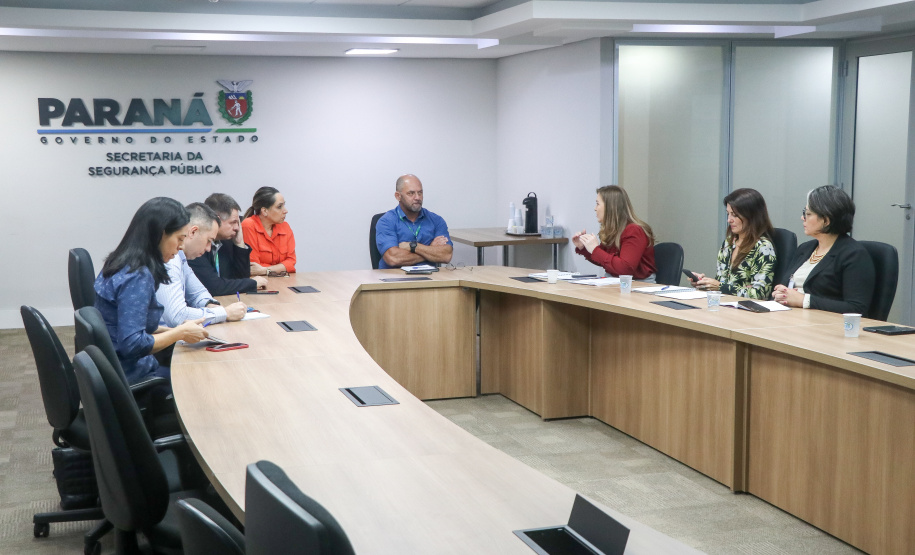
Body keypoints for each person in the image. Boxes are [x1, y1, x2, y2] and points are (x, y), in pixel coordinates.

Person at [94, 197, 209, 385]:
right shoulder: (137, 276)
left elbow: (129, 324)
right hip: (134, 376)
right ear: (161, 234)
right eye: (179, 239)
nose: (180, 246)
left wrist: (178, 330)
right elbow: (132, 344)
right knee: (201, 379)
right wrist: (179, 333)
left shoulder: (121, 262)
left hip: (115, 371)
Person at [773, 185, 875, 314]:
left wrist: (805, 300)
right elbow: (786, 285)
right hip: (790, 317)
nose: (802, 218)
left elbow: (857, 308)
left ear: (826, 220)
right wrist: (781, 293)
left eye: (808, 214)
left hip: (823, 326)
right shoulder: (805, 248)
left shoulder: (854, 255)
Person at [157, 203, 248, 328]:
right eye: (209, 241)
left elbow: (198, 293)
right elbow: (177, 316)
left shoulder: (181, 258)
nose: (209, 249)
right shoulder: (170, 261)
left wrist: (211, 305)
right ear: (193, 232)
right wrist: (224, 313)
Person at [690, 188, 777, 299]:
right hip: (724, 305)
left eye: (735, 215)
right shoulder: (729, 243)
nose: (729, 220)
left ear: (751, 216)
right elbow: (722, 283)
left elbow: (760, 294)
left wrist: (720, 287)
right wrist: (704, 283)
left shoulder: (763, 247)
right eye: (728, 214)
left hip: (745, 311)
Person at [188, 193, 268, 296]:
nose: (237, 228)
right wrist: (252, 283)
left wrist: (239, 244)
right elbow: (214, 287)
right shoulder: (195, 246)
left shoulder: (226, 241)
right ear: (217, 220)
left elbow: (240, 279)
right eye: (233, 222)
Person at [572, 185, 656, 281]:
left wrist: (595, 250)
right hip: (614, 281)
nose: (595, 208)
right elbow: (606, 261)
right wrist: (584, 248)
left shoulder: (634, 231)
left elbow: (625, 269)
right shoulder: (613, 230)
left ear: (610, 207)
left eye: (597, 204)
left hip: (637, 284)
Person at [375, 174, 453, 269]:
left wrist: (413, 246)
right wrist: (430, 250)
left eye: (420, 193)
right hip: (395, 280)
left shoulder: (436, 220)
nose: (417, 197)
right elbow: (393, 258)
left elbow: (446, 255)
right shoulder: (386, 221)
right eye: (411, 193)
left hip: (429, 280)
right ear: (398, 196)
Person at [241, 186, 296, 275]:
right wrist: (280, 268)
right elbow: (254, 267)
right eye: (279, 207)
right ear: (264, 211)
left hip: (283, 281)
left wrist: (265, 270)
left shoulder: (285, 226)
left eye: (284, 205)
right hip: (260, 282)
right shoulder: (248, 225)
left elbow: (291, 262)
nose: (285, 211)